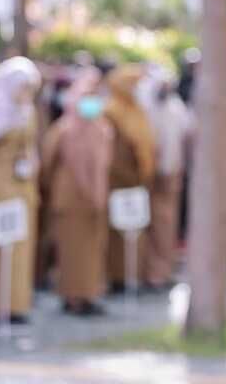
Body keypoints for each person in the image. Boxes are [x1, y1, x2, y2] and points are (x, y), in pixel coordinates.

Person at [41, 69, 114, 316]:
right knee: (72, 250)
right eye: (86, 96)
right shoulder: (63, 129)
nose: (91, 103)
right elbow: (48, 164)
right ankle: (71, 296)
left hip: (96, 199)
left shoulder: (102, 129)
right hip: (70, 201)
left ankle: (90, 293)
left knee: (93, 250)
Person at [0, 57, 43, 323]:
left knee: (21, 243)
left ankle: (17, 303)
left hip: (22, 183)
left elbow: (31, 145)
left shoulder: (28, 111)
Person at [102, 65, 157, 293]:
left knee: (137, 229)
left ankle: (135, 275)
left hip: (138, 180)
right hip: (120, 180)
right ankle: (118, 277)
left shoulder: (138, 110)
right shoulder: (111, 111)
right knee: (118, 232)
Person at [138, 69, 191, 289]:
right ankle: (151, 272)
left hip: (172, 175)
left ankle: (164, 270)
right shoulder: (145, 108)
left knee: (167, 226)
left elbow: (188, 132)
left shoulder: (176, 107)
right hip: (151, 178)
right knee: (152, 226)